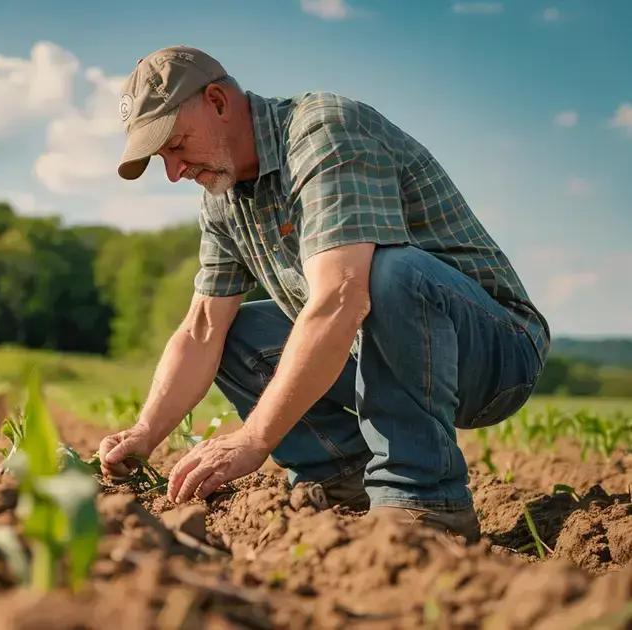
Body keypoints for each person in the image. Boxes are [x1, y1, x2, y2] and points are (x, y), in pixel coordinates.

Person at [95, 45, 549, 541]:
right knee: (235, 333)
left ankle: (424, 498)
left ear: (219, 102)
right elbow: (202, 329)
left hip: (492, 352)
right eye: (164, 157)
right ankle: (341, 479)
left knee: (385, 271)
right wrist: (145, 433)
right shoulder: (223, 198)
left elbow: (341, 298)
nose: (175, 171)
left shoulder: (324, 132)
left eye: (177, 144)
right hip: (375, 349)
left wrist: (253, 439)